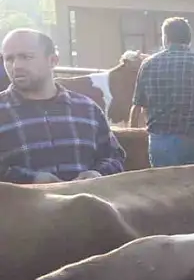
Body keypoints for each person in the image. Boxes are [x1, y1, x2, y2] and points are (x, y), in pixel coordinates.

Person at [0, 29, 125, 183]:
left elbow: (114, 157)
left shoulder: (87, 109)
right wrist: (30, 180)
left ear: (53, 60)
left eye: (26, 57)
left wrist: (97, 173)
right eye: (8, 59)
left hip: (84, 205)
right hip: (21, 207)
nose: (16, 66)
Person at [130, 17, 194, 167]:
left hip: (160, 142)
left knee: (165, 188)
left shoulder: (148, 65)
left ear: (165, 38)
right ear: (189, 39)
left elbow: (137, 106)